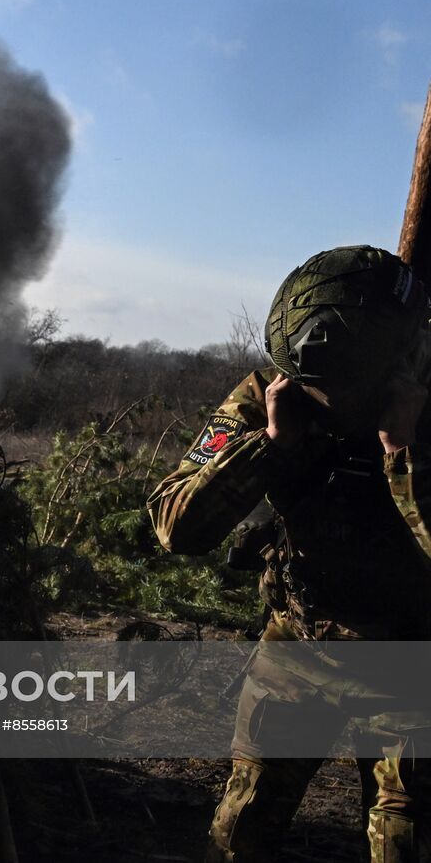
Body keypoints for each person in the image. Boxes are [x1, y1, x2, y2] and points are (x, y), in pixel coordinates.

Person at [148, 245, 431, 862]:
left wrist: (404, 454)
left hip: (412, 666)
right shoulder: (268, 396)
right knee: (239, 830)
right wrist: (269, 444)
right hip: (298, 645)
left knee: (404, 843)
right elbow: (175, 526)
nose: (321, 397)